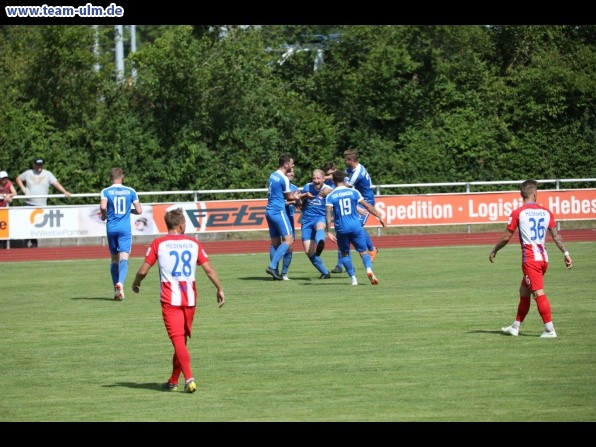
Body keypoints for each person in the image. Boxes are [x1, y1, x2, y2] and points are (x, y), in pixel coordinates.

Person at [131, 207, 225, 393]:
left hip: (170, 299)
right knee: (181, 342)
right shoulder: (193, 243)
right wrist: (219, 288)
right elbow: (209, 269)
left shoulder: (159, 243)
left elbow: (143, 270)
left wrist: (136, 283)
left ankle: (189, 378)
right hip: (190, 299)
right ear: (181, 226)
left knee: (178, 342)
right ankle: (173, 380)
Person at [489, 179, 573, 338]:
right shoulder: (546, 212)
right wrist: (566, 253)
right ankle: (515, 327)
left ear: (522, 194)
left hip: (530, 260)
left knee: (538, 294)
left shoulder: (518, 212)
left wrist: (494, 250)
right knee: (524, 291)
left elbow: (507, 236)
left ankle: (550, 330)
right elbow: (556, 236)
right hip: (543, 259)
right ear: (535, 194)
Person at [325, 170, 385, 286]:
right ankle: (368, 269)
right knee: (363, 251)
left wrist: (328, 231)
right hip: (355, 226)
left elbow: (328, 214)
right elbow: (367, 206)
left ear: (333, 180)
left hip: (341, 228)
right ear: (344, 179)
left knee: (345, 253)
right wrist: (379, 216)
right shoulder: (354, 192)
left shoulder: (330, 196)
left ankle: (353, 278)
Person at [100, 167, 142, 301]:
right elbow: (139, 210)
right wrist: (130, 211)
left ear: (110, 178)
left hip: (111, 228)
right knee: (124, 257)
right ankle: (121, 283)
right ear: (122, 177)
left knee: (114, 259)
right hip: (125, 228)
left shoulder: (105, 191)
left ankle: (115, 289)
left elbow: (102, 207)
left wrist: (103, 216)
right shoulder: (131, 191)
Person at [15, 158, 71, 247]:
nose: (39, 167)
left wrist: (64, 191)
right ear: (34, 165)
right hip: (29, 203)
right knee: (28, 224)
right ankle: (27, 241)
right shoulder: (28, 173)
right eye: (37, 164)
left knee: (37, 223)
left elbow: (56, 183)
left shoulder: (48, 174)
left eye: (41, 165)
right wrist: (24, 189)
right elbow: (18, 178)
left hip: (41, 204)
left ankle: (34, 242)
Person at [265, 154, 303, 280]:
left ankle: (275, 272)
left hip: (269, 210)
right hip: (278, 211)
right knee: (289, 240)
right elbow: (289, 197)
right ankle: (272, 266)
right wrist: (301, 196)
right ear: (286, 164)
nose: (293, 166)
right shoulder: (283, 178)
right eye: (292, 163)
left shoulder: (273, 175)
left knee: (275, 243)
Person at [343, 149, 379, 263]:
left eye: (345, 159)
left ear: (351, 160)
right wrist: (328, 177)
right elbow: (343, 174)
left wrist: (332, 190)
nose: (344, 161)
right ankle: (368, 249)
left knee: (357, 226)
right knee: (354, 226)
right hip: (358, 201)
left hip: (366, 201)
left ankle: (371, 249)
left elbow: (345, 186)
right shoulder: (354, 168)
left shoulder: (357, 173)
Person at [299, 168, 334, 279]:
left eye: (318, 178)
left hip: (320, 217)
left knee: (320, 226)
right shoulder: (307, 187)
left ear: (323, 179)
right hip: (306, 220)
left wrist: (331, 191)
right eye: (314, 178)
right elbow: (300, 202)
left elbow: (339, 192)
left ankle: (320, 243)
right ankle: (325, 272)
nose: (316, 180)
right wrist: (303, 196)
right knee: (308, 251)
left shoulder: (328, 189)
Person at [323, 162, 344, 274]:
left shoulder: (342, 180)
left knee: (349, 237)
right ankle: (341, 264)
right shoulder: (326, 184)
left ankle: (370, 249)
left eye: (332, 174)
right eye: (328, 174)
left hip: (347, 214)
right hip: (336, 215)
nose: (330, 176)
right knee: (342, 240)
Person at [279, 169, 300, 280]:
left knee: (290, 246)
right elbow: (279, 203)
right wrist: (293, 200)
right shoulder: (280, 187)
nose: (292, 174)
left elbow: (299, 204)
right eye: (289, 172)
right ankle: (275, 271)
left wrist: (300, 199)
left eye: (292, 172)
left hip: (290, 219)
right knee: (278, 244)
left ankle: (284, 273)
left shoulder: (295, 188)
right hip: (279, 218)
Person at [0, 170, 18, 249]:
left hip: (4, 209)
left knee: (4, 226)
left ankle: (3, 244)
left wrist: (8, 195)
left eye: (6, 178)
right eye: (3, 178)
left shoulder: (8, 184)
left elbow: (14, 192)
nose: (5, 180)